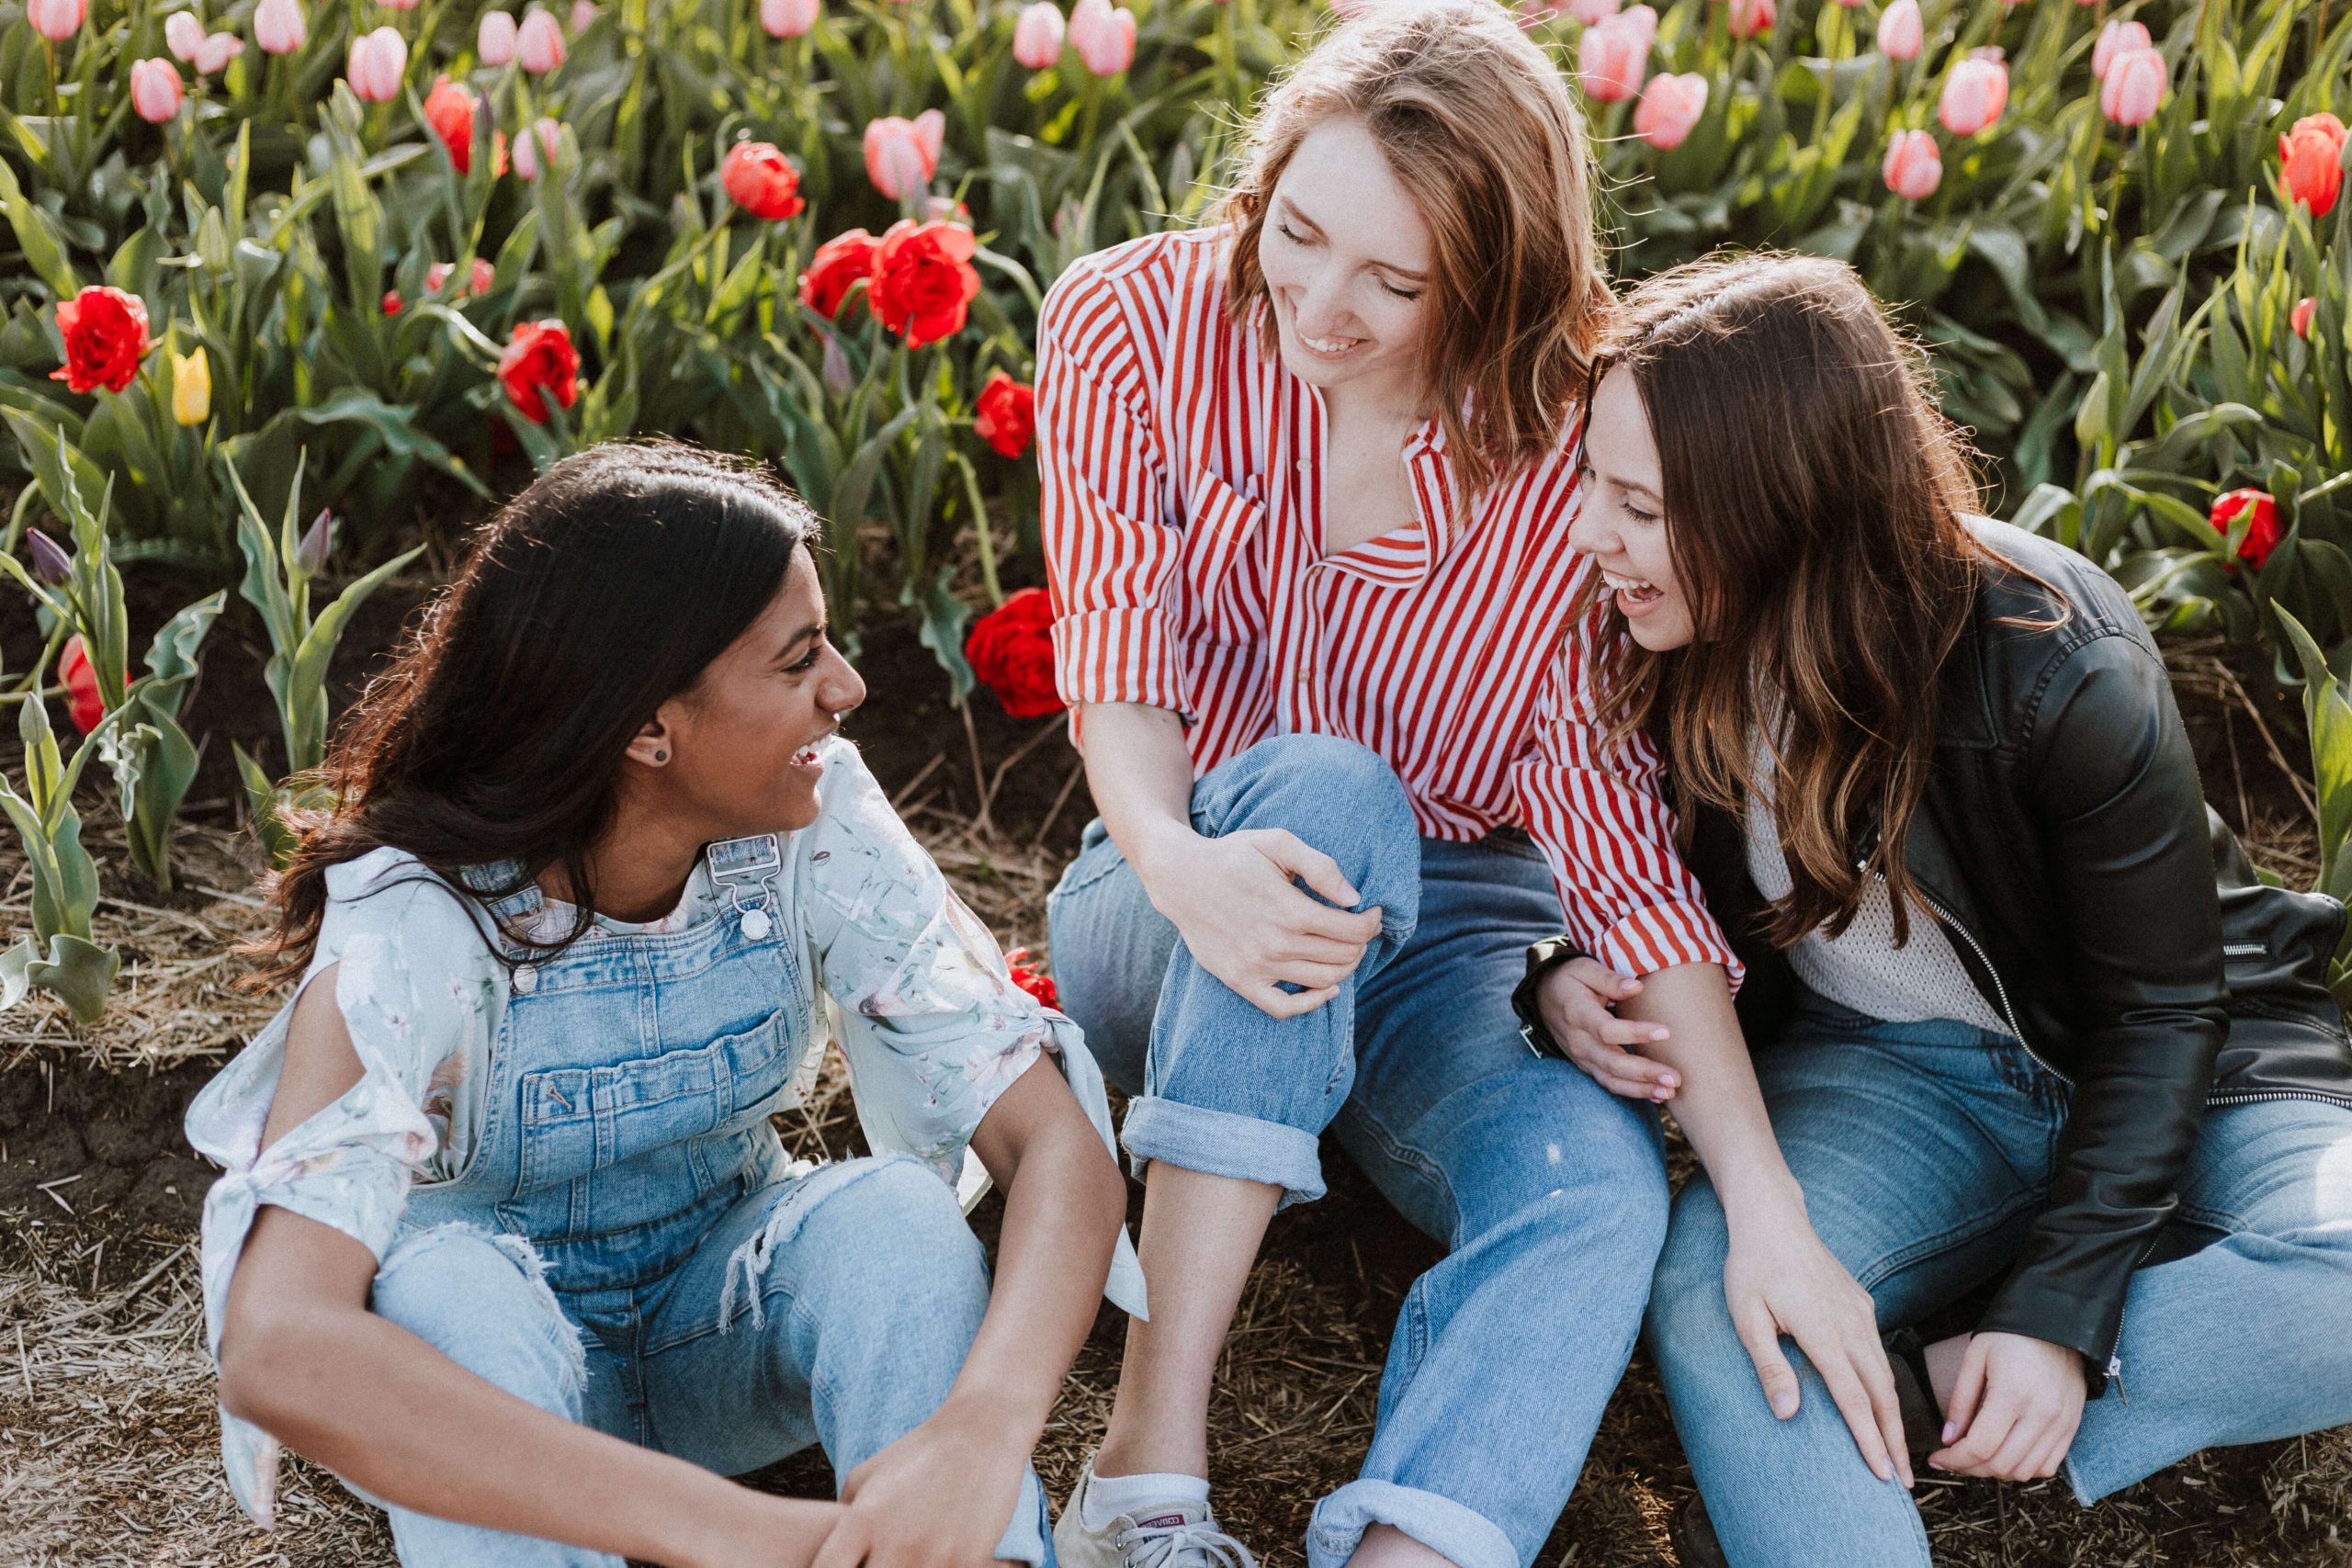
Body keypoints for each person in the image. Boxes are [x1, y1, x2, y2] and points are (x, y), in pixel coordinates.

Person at [1034, 6, 1750, 1565]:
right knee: (1327, 798)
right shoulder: (1130, 322)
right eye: (1301, 233)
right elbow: (1116, 672)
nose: (1325, 307)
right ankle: (1143, 1478)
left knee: (1595, 1191)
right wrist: (1176, 857)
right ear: (1269, 176)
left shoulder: (1566, 443)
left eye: (1397, 280)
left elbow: (1607, 824)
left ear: (1490, 282)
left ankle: (1413, 1547)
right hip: (1168, 882)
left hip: (1443, 936)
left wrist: (1745, 1187)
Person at [1525, 252, 2352, 1567]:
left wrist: (2061, 1316)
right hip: (1894, 1077)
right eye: (1593, 485)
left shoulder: (2056, 657)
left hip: (2192, 1060)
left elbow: (2163, 1008)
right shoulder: (1640, 637)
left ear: (1780, 511)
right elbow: (1605, 861)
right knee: (1722, 1292)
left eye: (1638, 504)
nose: (1590, 535)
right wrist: (1559, 965)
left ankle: (1936, 1381)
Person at [186, 441, 1143, 1568]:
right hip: (492, 1405)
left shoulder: (814, 816)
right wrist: (746, 1538)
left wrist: (983, 1428)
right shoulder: (415, 923)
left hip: (719, 1328)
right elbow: (281, 1345)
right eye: (798, 662)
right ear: (647, 728)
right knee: (442, 1282)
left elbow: (1056, 1148)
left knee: (891, 1216)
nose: (848, 687)